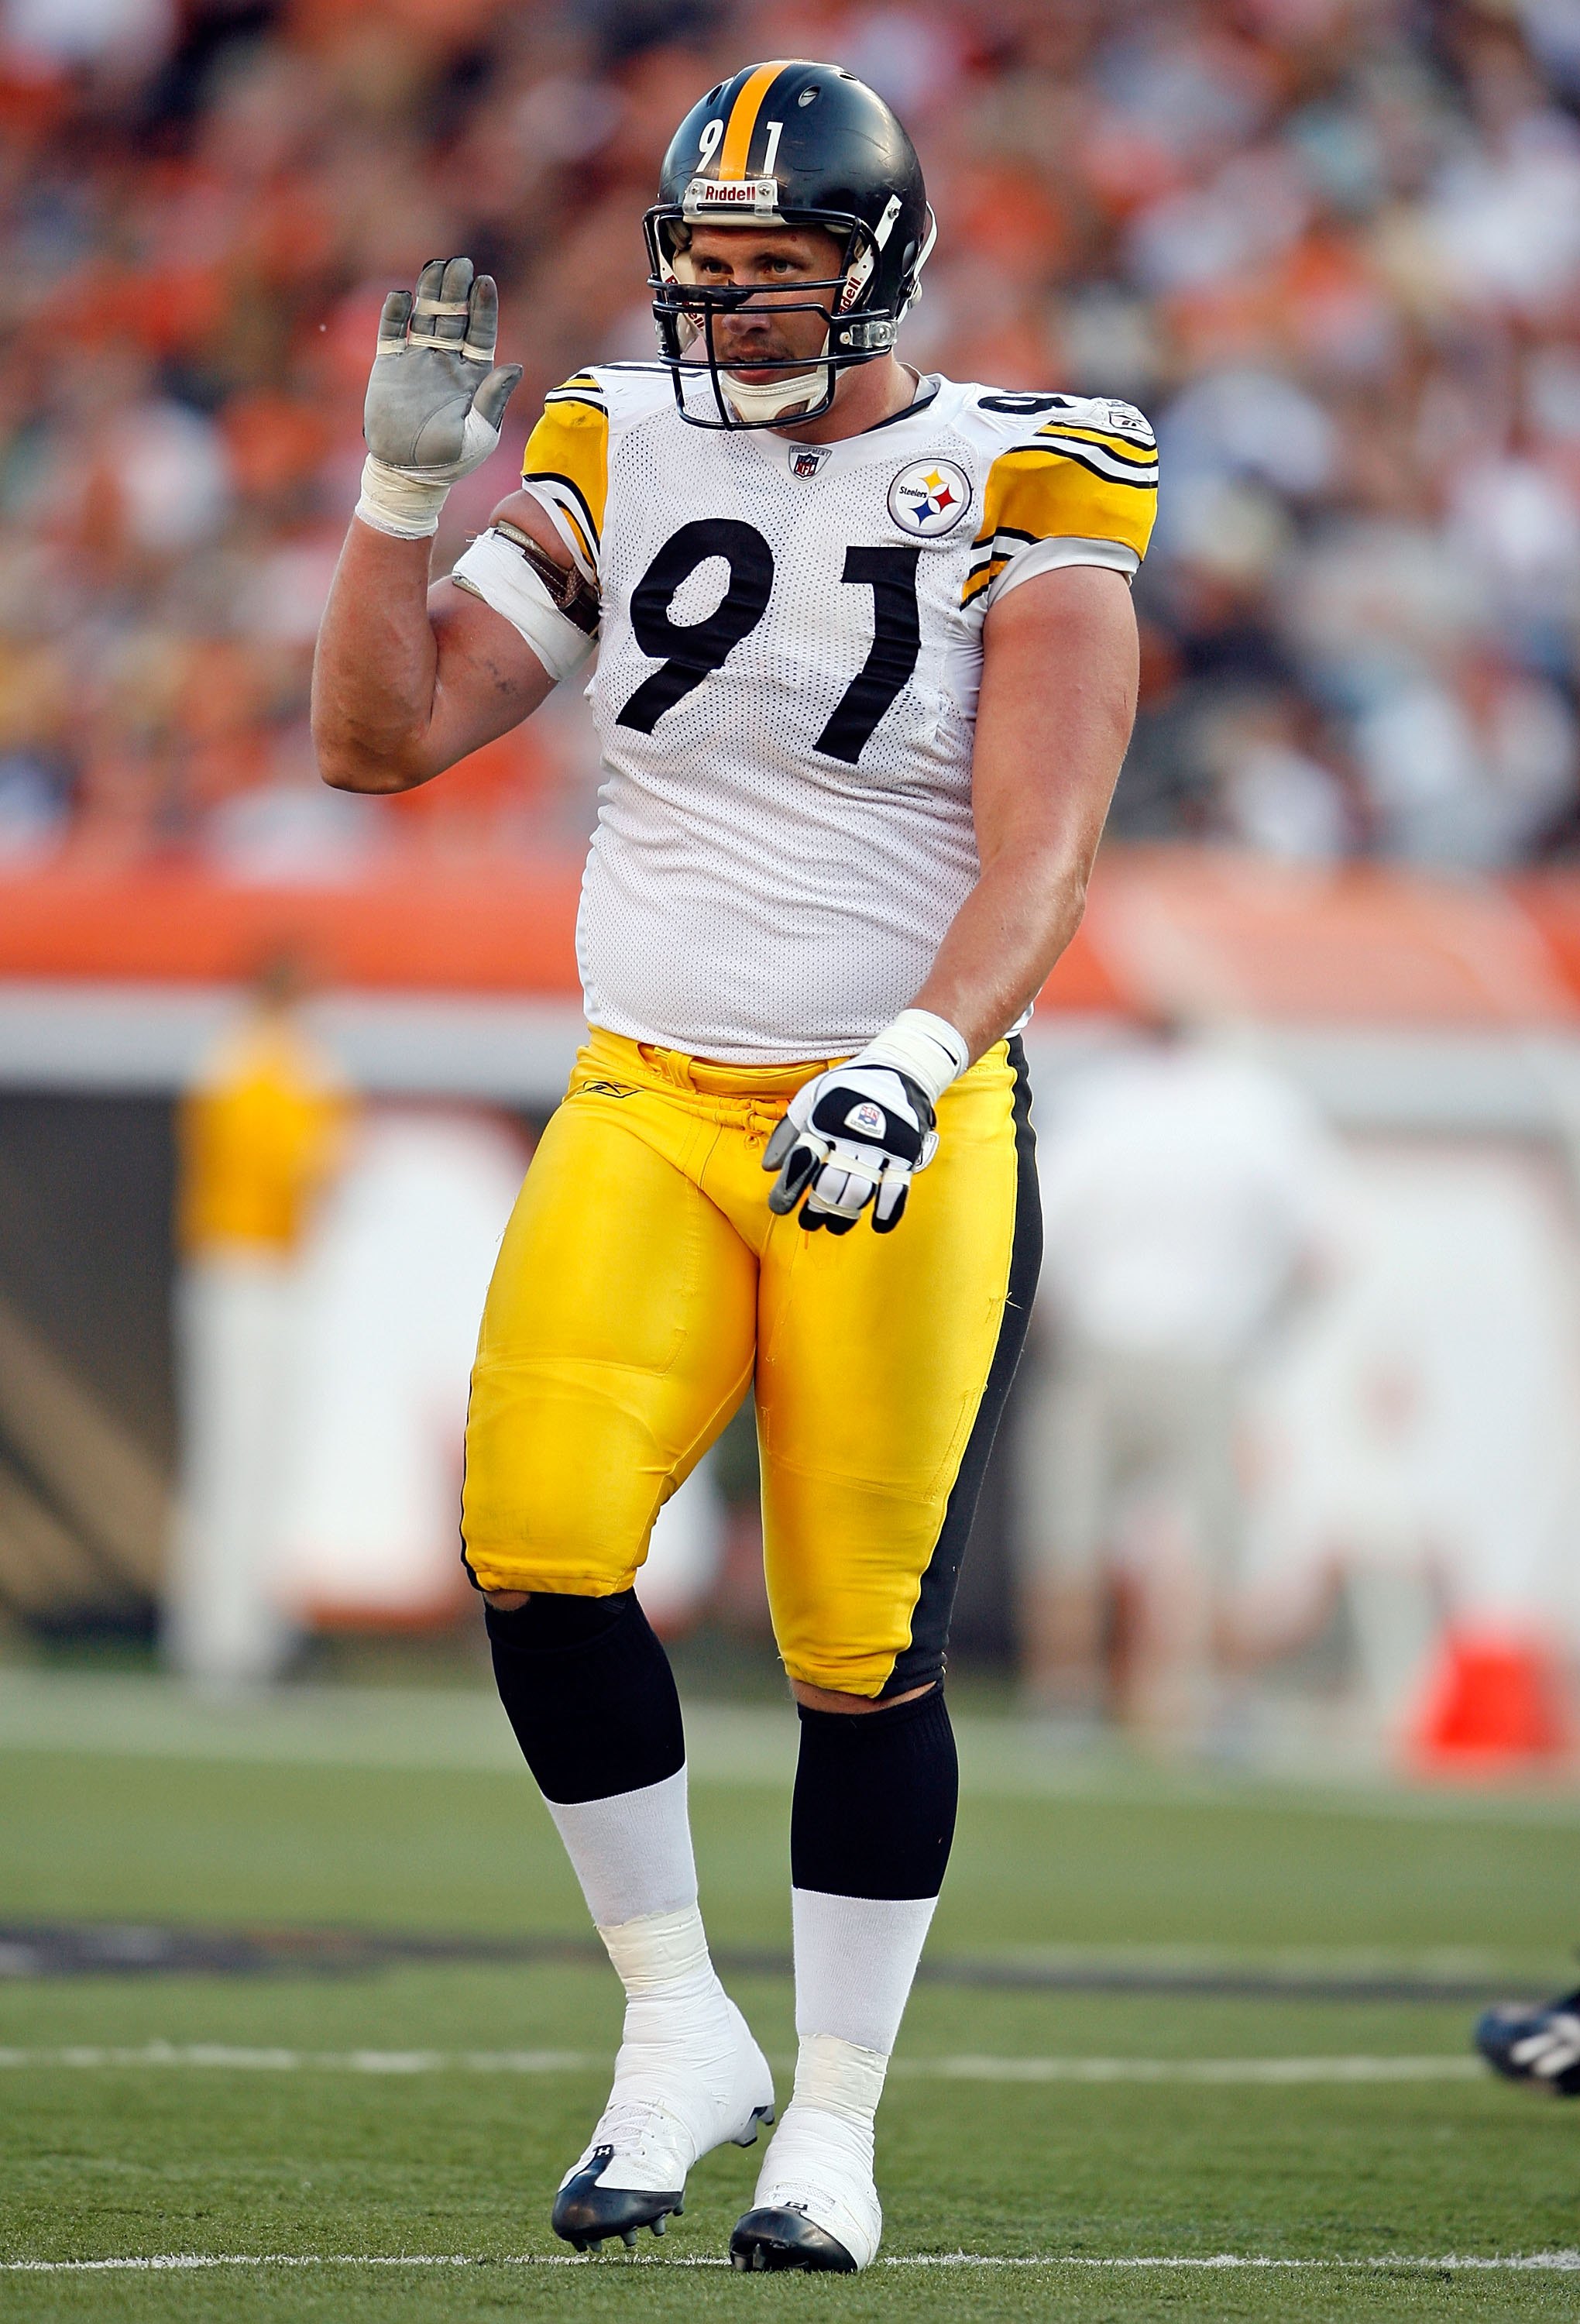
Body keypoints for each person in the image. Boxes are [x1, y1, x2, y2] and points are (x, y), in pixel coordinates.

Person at [312, 61, 1154, 2273]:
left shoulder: (1037, 470)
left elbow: (1042, 850)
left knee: (857, 1645)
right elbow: (377, 739)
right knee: (538, 1539)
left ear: (882, 266)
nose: (735, 311)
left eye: (779, 274)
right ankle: (678, 2025)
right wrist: (402, 495)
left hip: (902, 1110)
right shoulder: (615, 428)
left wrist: (905, 1055)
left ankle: (841, 2121)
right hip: (649, 1092)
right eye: (708, 267)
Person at [166, 952, 351, 1688]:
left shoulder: (273, 1064)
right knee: (233, 1455)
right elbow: (304, 1164)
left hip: (275, 1271)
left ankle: (249, 1628)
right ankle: (217, 1640)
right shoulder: (244, 1065)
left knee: (264, 1459)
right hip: (241, 1270)